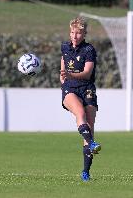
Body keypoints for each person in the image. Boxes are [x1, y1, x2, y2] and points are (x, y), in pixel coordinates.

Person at [60, 17, 101, 182]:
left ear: (84, 34)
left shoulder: (89, 50)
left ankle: (85, 172)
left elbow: (87, 73)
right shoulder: (65, 47)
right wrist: (64, 79)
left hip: (87, 89)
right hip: (71, 89)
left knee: (89, 126)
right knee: (80, 113)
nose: (74, 36)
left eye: (78, 33)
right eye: (72, 32)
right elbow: (62, 67)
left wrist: (70, 75)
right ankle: (92, 143)